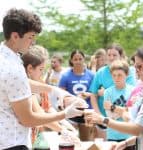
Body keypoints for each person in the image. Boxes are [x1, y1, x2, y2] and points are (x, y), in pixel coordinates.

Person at [0, 8, 87, 149]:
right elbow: (28, 119)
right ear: (15, 36)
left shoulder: (6, 56)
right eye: (30, 37)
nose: (33, 42)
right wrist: (65, 114)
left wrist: (54, 90)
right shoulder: (12, 69)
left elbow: (22, 83)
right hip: (12, 143)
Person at [84, 45, 143, 150]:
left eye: (140, 66)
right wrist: (126, 143)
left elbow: (138, 128)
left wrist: (103, 119)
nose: (136, 70)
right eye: (135, 66)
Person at [59, 50, 98, 141]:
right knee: (71, 141)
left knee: (86, 141)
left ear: (84, 59)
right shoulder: (65, 76)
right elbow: (61, 94)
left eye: (80, 59)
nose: (78, 61)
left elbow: (96, 92)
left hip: (87, 112)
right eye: (75, 59)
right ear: (71, 60)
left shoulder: (91, 75)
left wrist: (88, 94)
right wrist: (74, 99)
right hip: (71, 112)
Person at [103, 59, 135, 150]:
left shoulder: (133, 91)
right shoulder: (107, 92)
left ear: (126, 75)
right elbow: (109, 115)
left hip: (129, 136)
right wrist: (124, 110)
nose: (116, 78)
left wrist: (112, 107)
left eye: (120, 75)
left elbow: (131, 115)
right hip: (112, 135)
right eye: (114, 75)